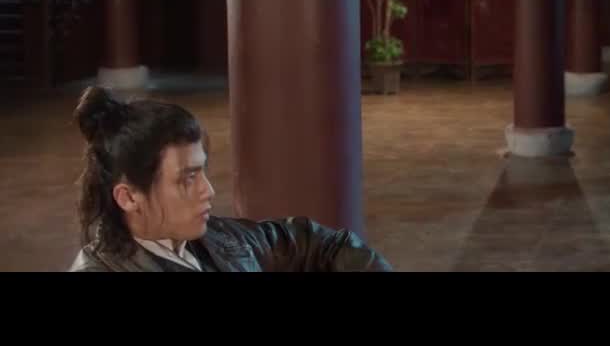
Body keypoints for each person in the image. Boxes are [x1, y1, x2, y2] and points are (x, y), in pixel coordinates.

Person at [69, 86, 392, 272]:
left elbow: (323, 244)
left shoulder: (220, 238)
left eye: (203, 172)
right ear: (128, 197)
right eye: (187, 179)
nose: (208, 190)